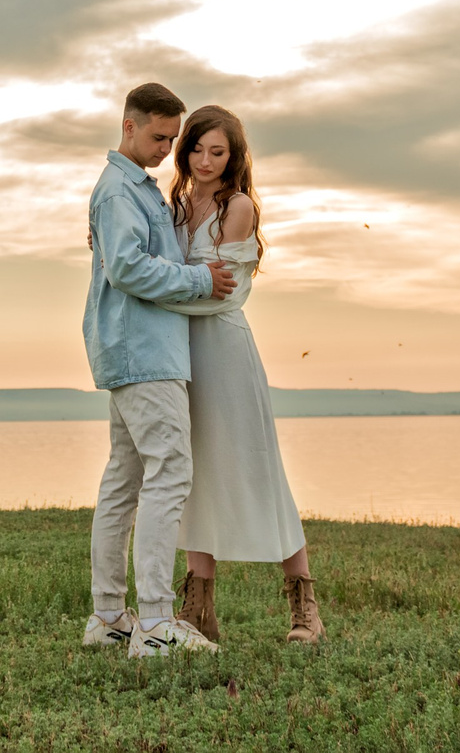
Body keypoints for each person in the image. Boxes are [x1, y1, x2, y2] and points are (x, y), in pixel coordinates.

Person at [80, 81, 237, 658]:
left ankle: (108, 616)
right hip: (144, 354)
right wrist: (201, 280)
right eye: (159, 136)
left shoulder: (131, 190)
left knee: (123, 482)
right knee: (169, 472)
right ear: (129, 126)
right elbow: (127, 268)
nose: (168, 149)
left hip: (132, 351)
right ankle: (153, 624)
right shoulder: (120, 191)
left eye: (173, 139)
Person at [161, 105, 323, 644]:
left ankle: (305, 608)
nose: (205, 161)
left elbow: (227, 292)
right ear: (183, 152)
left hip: (226, 353)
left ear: (233, 157)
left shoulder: (238, 207)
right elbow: (170, 271)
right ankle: (198, 611)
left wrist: (165, 292)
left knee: (259, 472)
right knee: (193, 475)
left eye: (217, 151)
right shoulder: (177, 205)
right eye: (197, 149)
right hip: (180, 354)